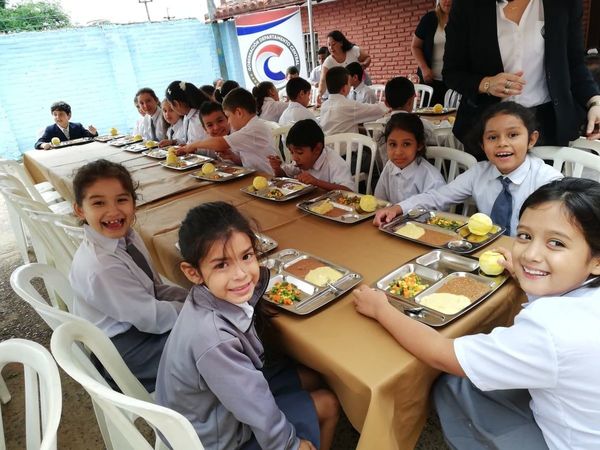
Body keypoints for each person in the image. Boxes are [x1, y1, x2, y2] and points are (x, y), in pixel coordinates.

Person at [355, 177, 600, 450]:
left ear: (597, 260)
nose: (530, 254)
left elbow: (441, 354)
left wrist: (381, 309)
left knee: (451, 383)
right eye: (525, 236)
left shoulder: (550, 330)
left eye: (556, 243)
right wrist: (526, 275)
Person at [156, 202, 340, 450]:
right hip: (214, 438)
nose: (241, 274)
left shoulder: (207, 298)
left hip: (215, 409)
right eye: (222, 264)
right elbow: (257, 409)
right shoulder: (214, 340)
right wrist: (291, 445)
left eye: (246, 256)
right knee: (328, 403)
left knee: (313, 376)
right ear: (193, 273)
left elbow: (246, 389)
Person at [69, 160, 187, 391]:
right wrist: (200, 309)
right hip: (124, 353)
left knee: (213, 324)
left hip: (139, 325)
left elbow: (154, 288)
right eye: (98, 203)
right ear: (80, 210)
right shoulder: (102, 266)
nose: (113, 211)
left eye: (121, 200)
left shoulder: (128, 237)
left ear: (134, 202)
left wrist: (193, 299)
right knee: (214, 345)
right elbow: (152, 318)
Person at [373, 101, 563, 236]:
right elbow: (438, 197)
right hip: (488, 252)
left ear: (531, 140)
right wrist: (398, 208)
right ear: (482, 145)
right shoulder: (479, 173)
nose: (502, 144)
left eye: (513, 135)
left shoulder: (549, 182)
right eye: (492, 137)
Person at [443, 0, 600, 159]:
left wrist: (594, 102)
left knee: (548, 183)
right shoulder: (466, 5)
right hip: (487, 124)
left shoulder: (564, 4)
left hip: (548, 125)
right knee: (487, 183)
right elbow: (451, 72)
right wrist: (486, 83)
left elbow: (575, 64)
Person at [177, 88, 277, 174]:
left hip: (268, 177)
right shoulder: (250, 127)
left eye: (228, 116)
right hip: (257, 176)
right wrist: (233, 157)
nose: (228, 121)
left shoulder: (253, 129)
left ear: (238, 113)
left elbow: (220, 143)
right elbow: (250, 162)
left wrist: (192, 145)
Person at [374, 114, 445, 204]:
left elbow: (434, 215)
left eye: (406, 144)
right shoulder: (389, 166)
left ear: (419, 145)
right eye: (393, 144)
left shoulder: (433, 181)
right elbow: (379, 202)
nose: (398, 152)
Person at [268, 119, 355, 191]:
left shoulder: (334, 163)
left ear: (317, 149)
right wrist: (277, 169)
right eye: (291, 152)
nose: (294, 158)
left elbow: (349, 190)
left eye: (299, 152)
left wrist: (317, 182)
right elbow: (285, 176)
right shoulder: (300, 162)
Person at [319, 66, 387, 135]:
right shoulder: (349, 105)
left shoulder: (324, 105)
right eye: (349, 83)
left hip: (328, 144)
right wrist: (387, 105)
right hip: (348, 144)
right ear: (344, 88)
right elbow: (377, 110)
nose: (350, 85)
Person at [411, 0, 452, 106]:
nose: (448, 1)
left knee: (453, 117)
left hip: (454, 81)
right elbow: (415, 46)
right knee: (430, 116)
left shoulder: (462, 19)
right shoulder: (429, 19)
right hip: (431, 81)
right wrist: (424, 68)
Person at [377, 76, 437, 146]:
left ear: (386, 103)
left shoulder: (378, 125)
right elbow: (441, 138)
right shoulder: (421, 125)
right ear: (410, 101)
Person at [317, 30, 372, 103]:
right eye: (329, 45)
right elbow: (323, 80)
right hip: (348, 89)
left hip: (362, 83)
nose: (331, 48)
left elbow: (367, 57)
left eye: (333, 44)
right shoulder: (328, 61)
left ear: (341, 43)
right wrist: (320, 95)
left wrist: (364, 64)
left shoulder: (353, 50)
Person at [164, 80, 211, 145]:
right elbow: (189, 139)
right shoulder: (187, 116)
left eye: (171, 105)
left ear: (176, 103)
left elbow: (207, 145)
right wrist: (173, 141)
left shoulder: (200, 117)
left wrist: (189, 148)